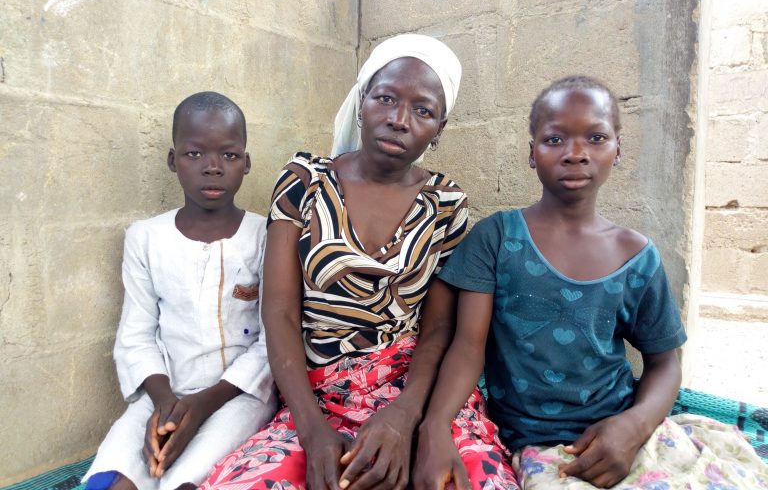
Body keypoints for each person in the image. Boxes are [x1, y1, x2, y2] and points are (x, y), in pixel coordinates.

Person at [415, 76, 768, 489]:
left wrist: (634, 426)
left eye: (596, 138)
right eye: (554, 140)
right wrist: (435, 427)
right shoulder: (497, 238)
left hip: (623, 431)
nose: (575, 154)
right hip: (540, 446)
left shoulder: (637, 256)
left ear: (619, 149)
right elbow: (467, 346)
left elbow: (665, 364)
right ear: (532, 153)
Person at [200, 35, 519, 490]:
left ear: (441, 127)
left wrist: (405, 418)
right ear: (361, 100)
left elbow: (437, 330)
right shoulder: (304, 181)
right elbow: (280, 313)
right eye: (385, 98)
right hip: (318, 397)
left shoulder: (447, 203)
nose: (398, 119)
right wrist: (312, 433)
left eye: (422, 110)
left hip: (415, 392)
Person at [82, 92, 277, 490]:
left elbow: (269, 341)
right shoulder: (144, 238)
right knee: (119, 475)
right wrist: (167, 403)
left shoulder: (266, 236)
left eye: (229, 155)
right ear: (173, 161)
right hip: (163, 390)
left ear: (247, 162)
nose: (212, 168)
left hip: (236, 395)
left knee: (187, 479)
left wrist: (202, 404)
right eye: (194, 154)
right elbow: (136, 335)